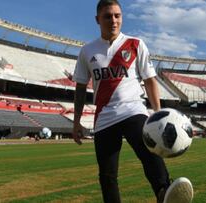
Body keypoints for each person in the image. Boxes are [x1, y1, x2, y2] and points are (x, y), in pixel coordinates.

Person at [71, 0, 193, 202]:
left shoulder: (136, 44)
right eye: (107, 16)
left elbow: (150, 80)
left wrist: (158, 112)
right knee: (107, 176)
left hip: (133, 111)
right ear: (97, 19)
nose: (113, 20)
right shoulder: (87, 51)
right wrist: (76, 122)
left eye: (117, 15)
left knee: (150, 155)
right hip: (104, 118)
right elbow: (81, 88)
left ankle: (164, 193)